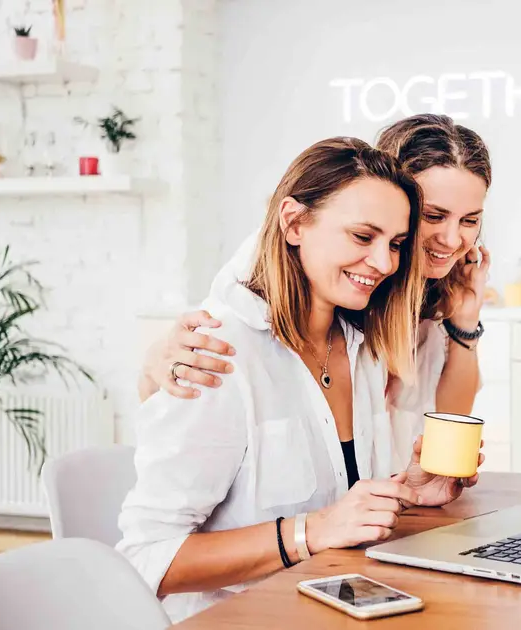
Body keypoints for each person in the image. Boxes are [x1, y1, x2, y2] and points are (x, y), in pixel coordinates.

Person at [115, 137, 475, 623]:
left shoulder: (359, 348)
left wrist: (408, 489)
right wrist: (309, 531)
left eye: (394, 245)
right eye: (362, 237)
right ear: (293, 222)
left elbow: (339, 505)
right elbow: (144, 560)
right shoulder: (217, 355)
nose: (385, 264)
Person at [137, 114, 493, 466]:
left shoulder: (447, 277)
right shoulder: (312, 262)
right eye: (433, 216)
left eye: (470, 220)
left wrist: (464, 319)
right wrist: (157, 361)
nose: (451, 239)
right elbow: (213, 350)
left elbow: (448, 420)